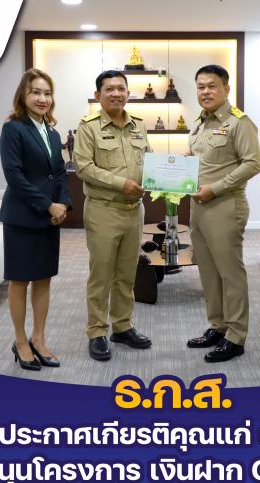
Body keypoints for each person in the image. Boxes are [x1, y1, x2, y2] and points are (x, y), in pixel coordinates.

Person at [74, 70, 152, 362]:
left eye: (121, 88)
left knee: (126, 274)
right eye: (109, 89)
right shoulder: (88, 127)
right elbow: (83, 167)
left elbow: (149, 160)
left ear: (128, 93)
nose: (116, 94)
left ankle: (122, 326)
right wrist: (122, 184)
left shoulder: (139, 125)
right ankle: (96, 331)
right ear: (98, 95)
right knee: (102, 275)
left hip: (134, 211)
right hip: (103, 210)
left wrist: (167, 176)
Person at [187, 64, 260, 362]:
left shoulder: (239, 123)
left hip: (225, 206)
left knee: (230, 273)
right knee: (208, 271)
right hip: (198, 206)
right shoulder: (200, 123)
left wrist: (215, 188)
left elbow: (252, 163)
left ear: (226, 89)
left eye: (212, 86)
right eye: (201, 86)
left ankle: (236, 335)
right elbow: (201, 160)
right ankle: (218, 326)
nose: (205, 91)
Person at [0, 68, 70, 371]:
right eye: (36, 92)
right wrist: (47, 205)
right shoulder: (13, 129)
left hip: (49, 218)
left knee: (43, 279)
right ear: (23, 95)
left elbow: (60, 172)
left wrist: (63, 204)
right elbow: (14, 176)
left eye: (47, 93)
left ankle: (39, 339)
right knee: (20, 280)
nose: (43, 99)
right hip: (22, 216)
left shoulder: (52, 133)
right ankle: (20, 341)